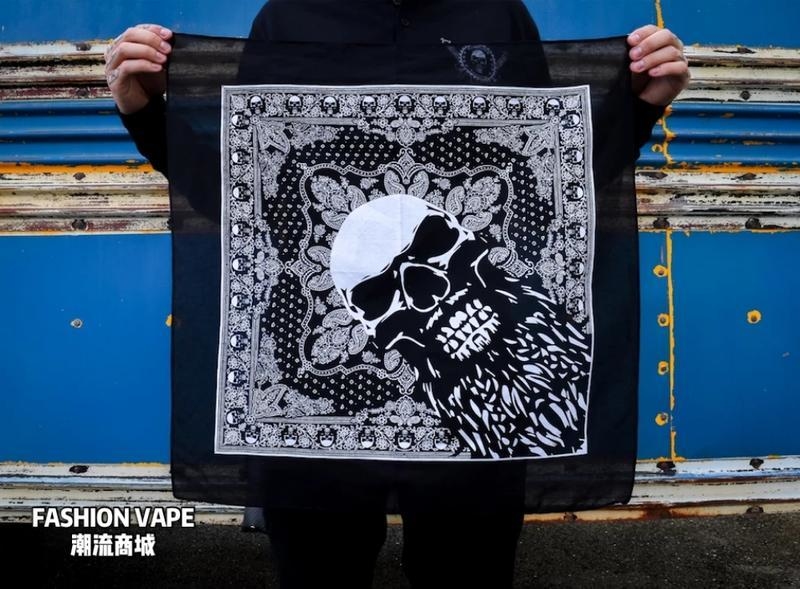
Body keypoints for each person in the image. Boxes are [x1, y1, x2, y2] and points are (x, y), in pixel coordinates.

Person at [105, 3, 689, 588]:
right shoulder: (286, 19)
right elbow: (247, 199)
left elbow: (552, 186)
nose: (427, 291)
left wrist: (640, 105)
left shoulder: (498, 17)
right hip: (322, 426)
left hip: (474, 417)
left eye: (436, 251)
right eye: (384, 294)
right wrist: (145, 112)